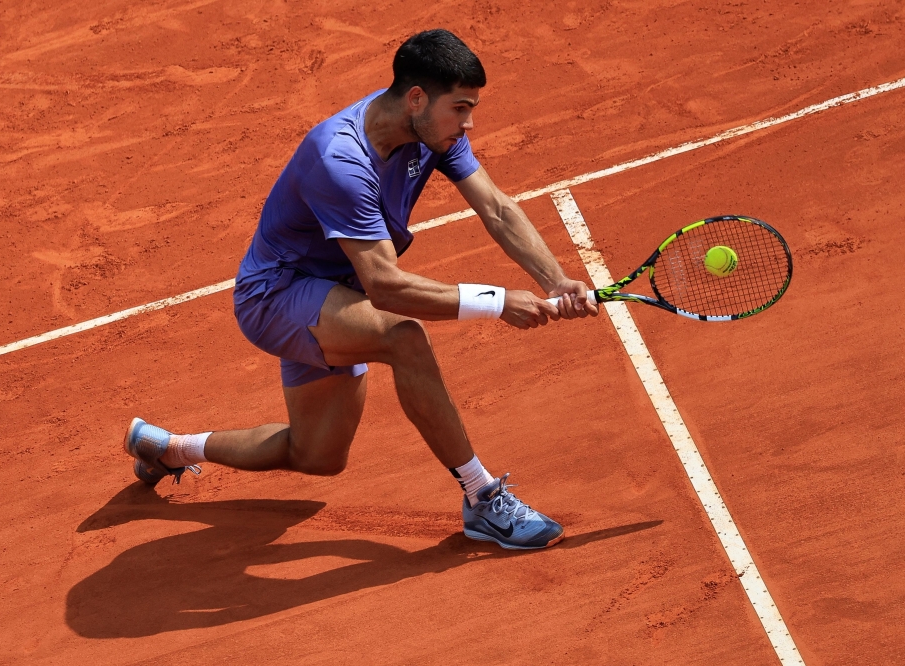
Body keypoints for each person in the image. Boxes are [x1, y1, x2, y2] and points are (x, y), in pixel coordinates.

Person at [124, 29, 598, 550]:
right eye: (460, 108)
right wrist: (496, 301)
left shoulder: (432, 133)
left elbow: (497, 207)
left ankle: (170, 448)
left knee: (317, 456)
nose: (469, 123)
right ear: (416, 98)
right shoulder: (341, 160)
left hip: (333, 295)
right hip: (276, 296)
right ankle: (482, 499)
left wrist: (555, 280)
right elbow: (386, 287)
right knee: (403, 338)